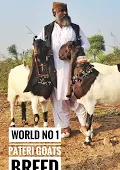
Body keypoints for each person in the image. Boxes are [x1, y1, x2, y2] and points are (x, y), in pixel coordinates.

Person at [36, 2, 90, 137]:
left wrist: (78, 53)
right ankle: (65, 128)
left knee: (78, 98)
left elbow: (86, 44)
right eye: (61, 11)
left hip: (74, 70)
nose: (65, 13)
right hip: (55, 71)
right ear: (54, 13)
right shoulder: (47, 30)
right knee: (59, 101)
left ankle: (84, 125)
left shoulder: (75, 29)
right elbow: (38, 44)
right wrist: (42, 50)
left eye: (66, 10)